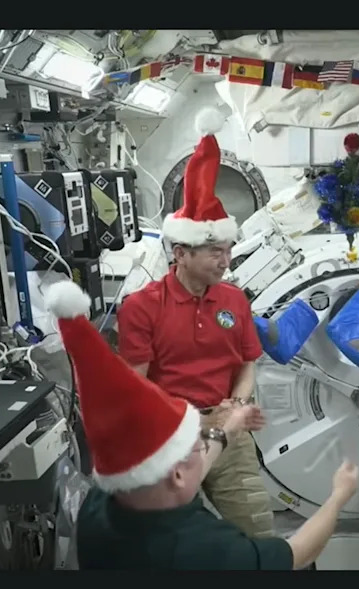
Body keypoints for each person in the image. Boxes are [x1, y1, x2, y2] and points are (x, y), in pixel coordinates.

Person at [42, 280, 359, 570]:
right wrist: (337, 496)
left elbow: (188, 469)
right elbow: (298, 553)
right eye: (197, 445)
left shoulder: (95, 510)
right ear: (177, 473)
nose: (204, 447)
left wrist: (228, 428)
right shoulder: (206, 548)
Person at [116, 109, 274, 538]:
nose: (224, 261)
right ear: (180, 253)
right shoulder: (142, 307)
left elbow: (247, 362)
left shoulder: (234, 300)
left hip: (227, 436)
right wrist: (199, 423)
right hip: (167, 438)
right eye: (213, 252)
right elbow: (137, 390)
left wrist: (236, 409)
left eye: (226, 250)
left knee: (258, 535)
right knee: (166, 545)